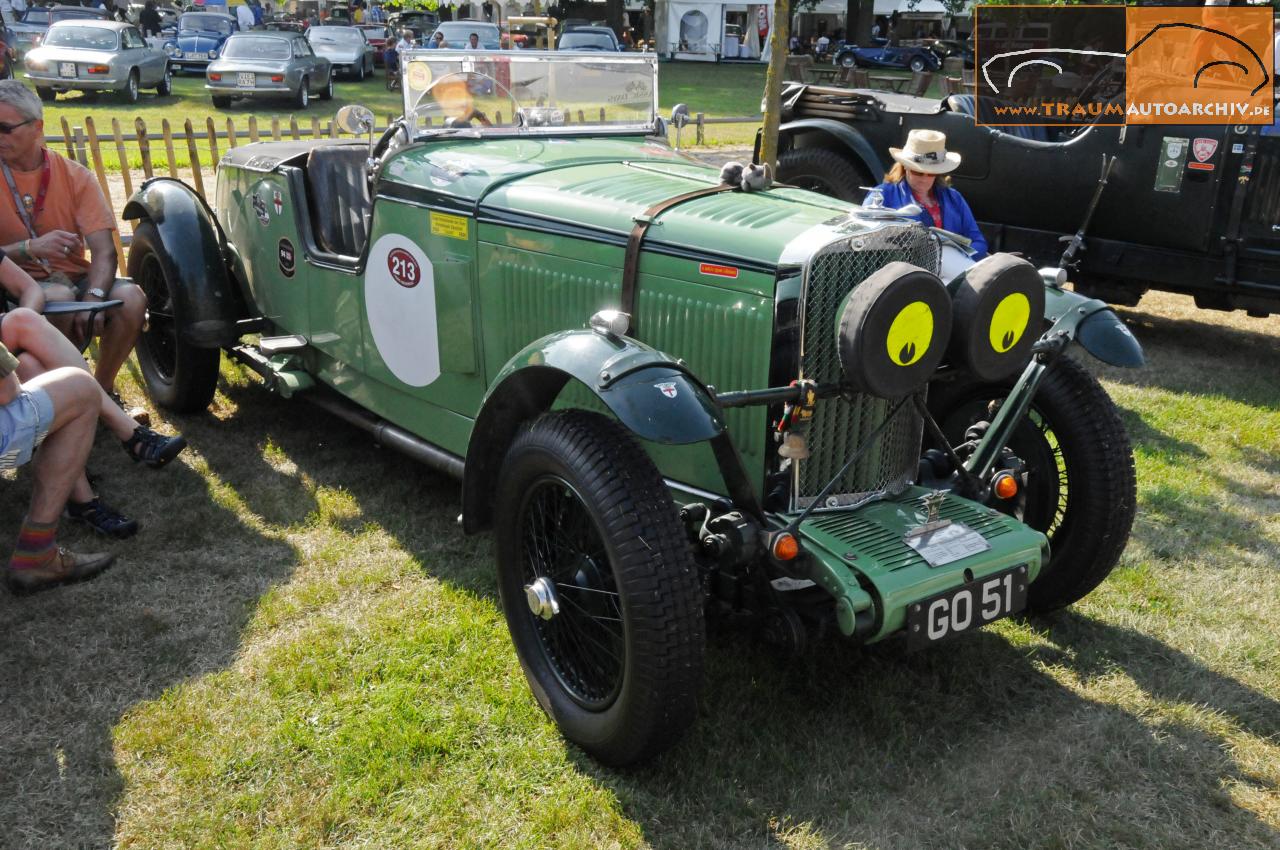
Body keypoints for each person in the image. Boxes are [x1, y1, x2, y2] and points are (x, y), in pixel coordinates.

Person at [0, 80, 153, 418]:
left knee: (132, 300)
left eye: (5, 128)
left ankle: (102, 390)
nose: (0, 137)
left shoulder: (75, 176)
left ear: (37, 127)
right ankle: (70, 402)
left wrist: (95, 298)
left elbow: (104, 251)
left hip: (74, 282)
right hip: (12, 286)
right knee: (58, 298)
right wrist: (28, 248)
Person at [870, 129, 988, 259]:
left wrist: (959, 259)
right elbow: (868, 241)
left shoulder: (954, 198)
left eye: (931, 173)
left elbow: (978, 242)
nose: (924, 179)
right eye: (918, 172)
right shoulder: (881, 196)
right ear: (905, 167)